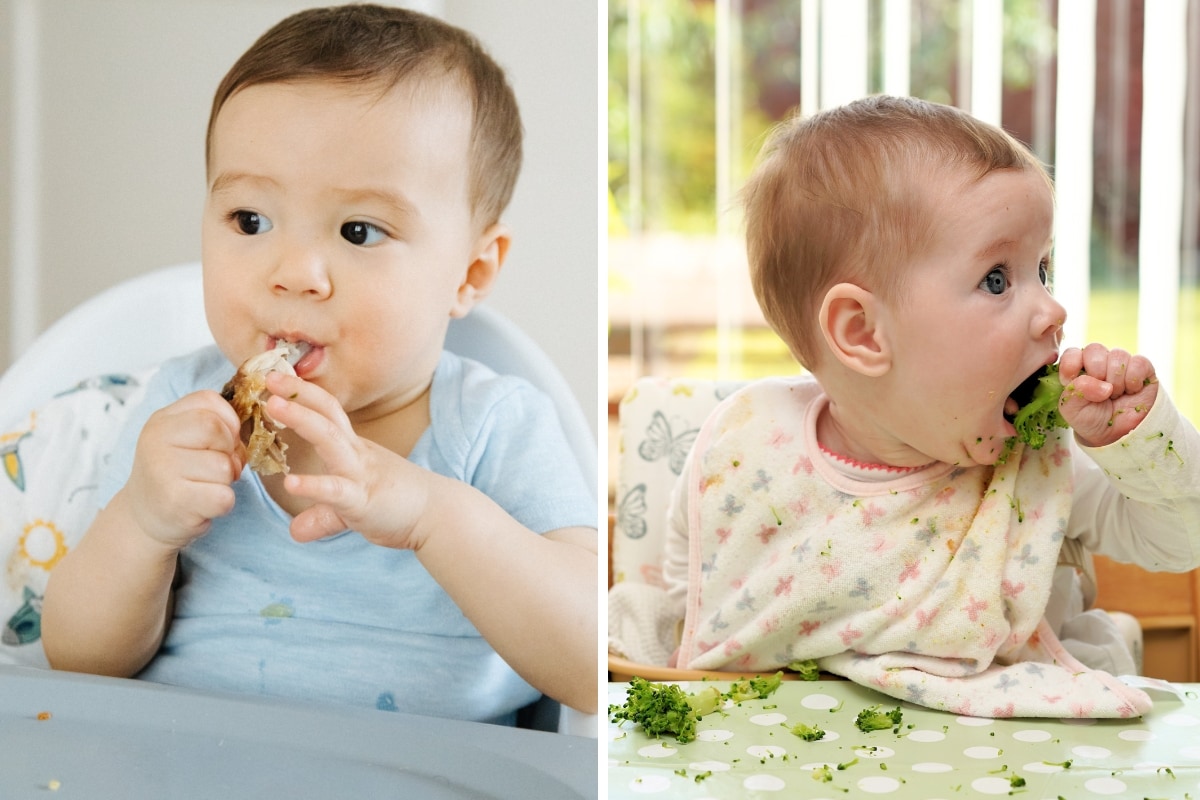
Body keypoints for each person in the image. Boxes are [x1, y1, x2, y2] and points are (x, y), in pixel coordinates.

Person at [42, 4, 597, 724]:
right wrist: (144, 525)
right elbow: (80, 662)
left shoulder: (495, 428)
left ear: (471, 272)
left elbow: (590, 664)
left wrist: (431, 516)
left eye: (359, 230)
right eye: (250, 221)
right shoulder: (180, 408)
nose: (295, 271)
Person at [656, 95, 1199, 717]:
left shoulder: (1031, 461)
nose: (1053, 310)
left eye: (1042, 268)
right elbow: (698, 585)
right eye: (998, 278)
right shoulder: (748, 449)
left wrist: (1139, 442)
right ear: (862, 332)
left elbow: (1179, 542)